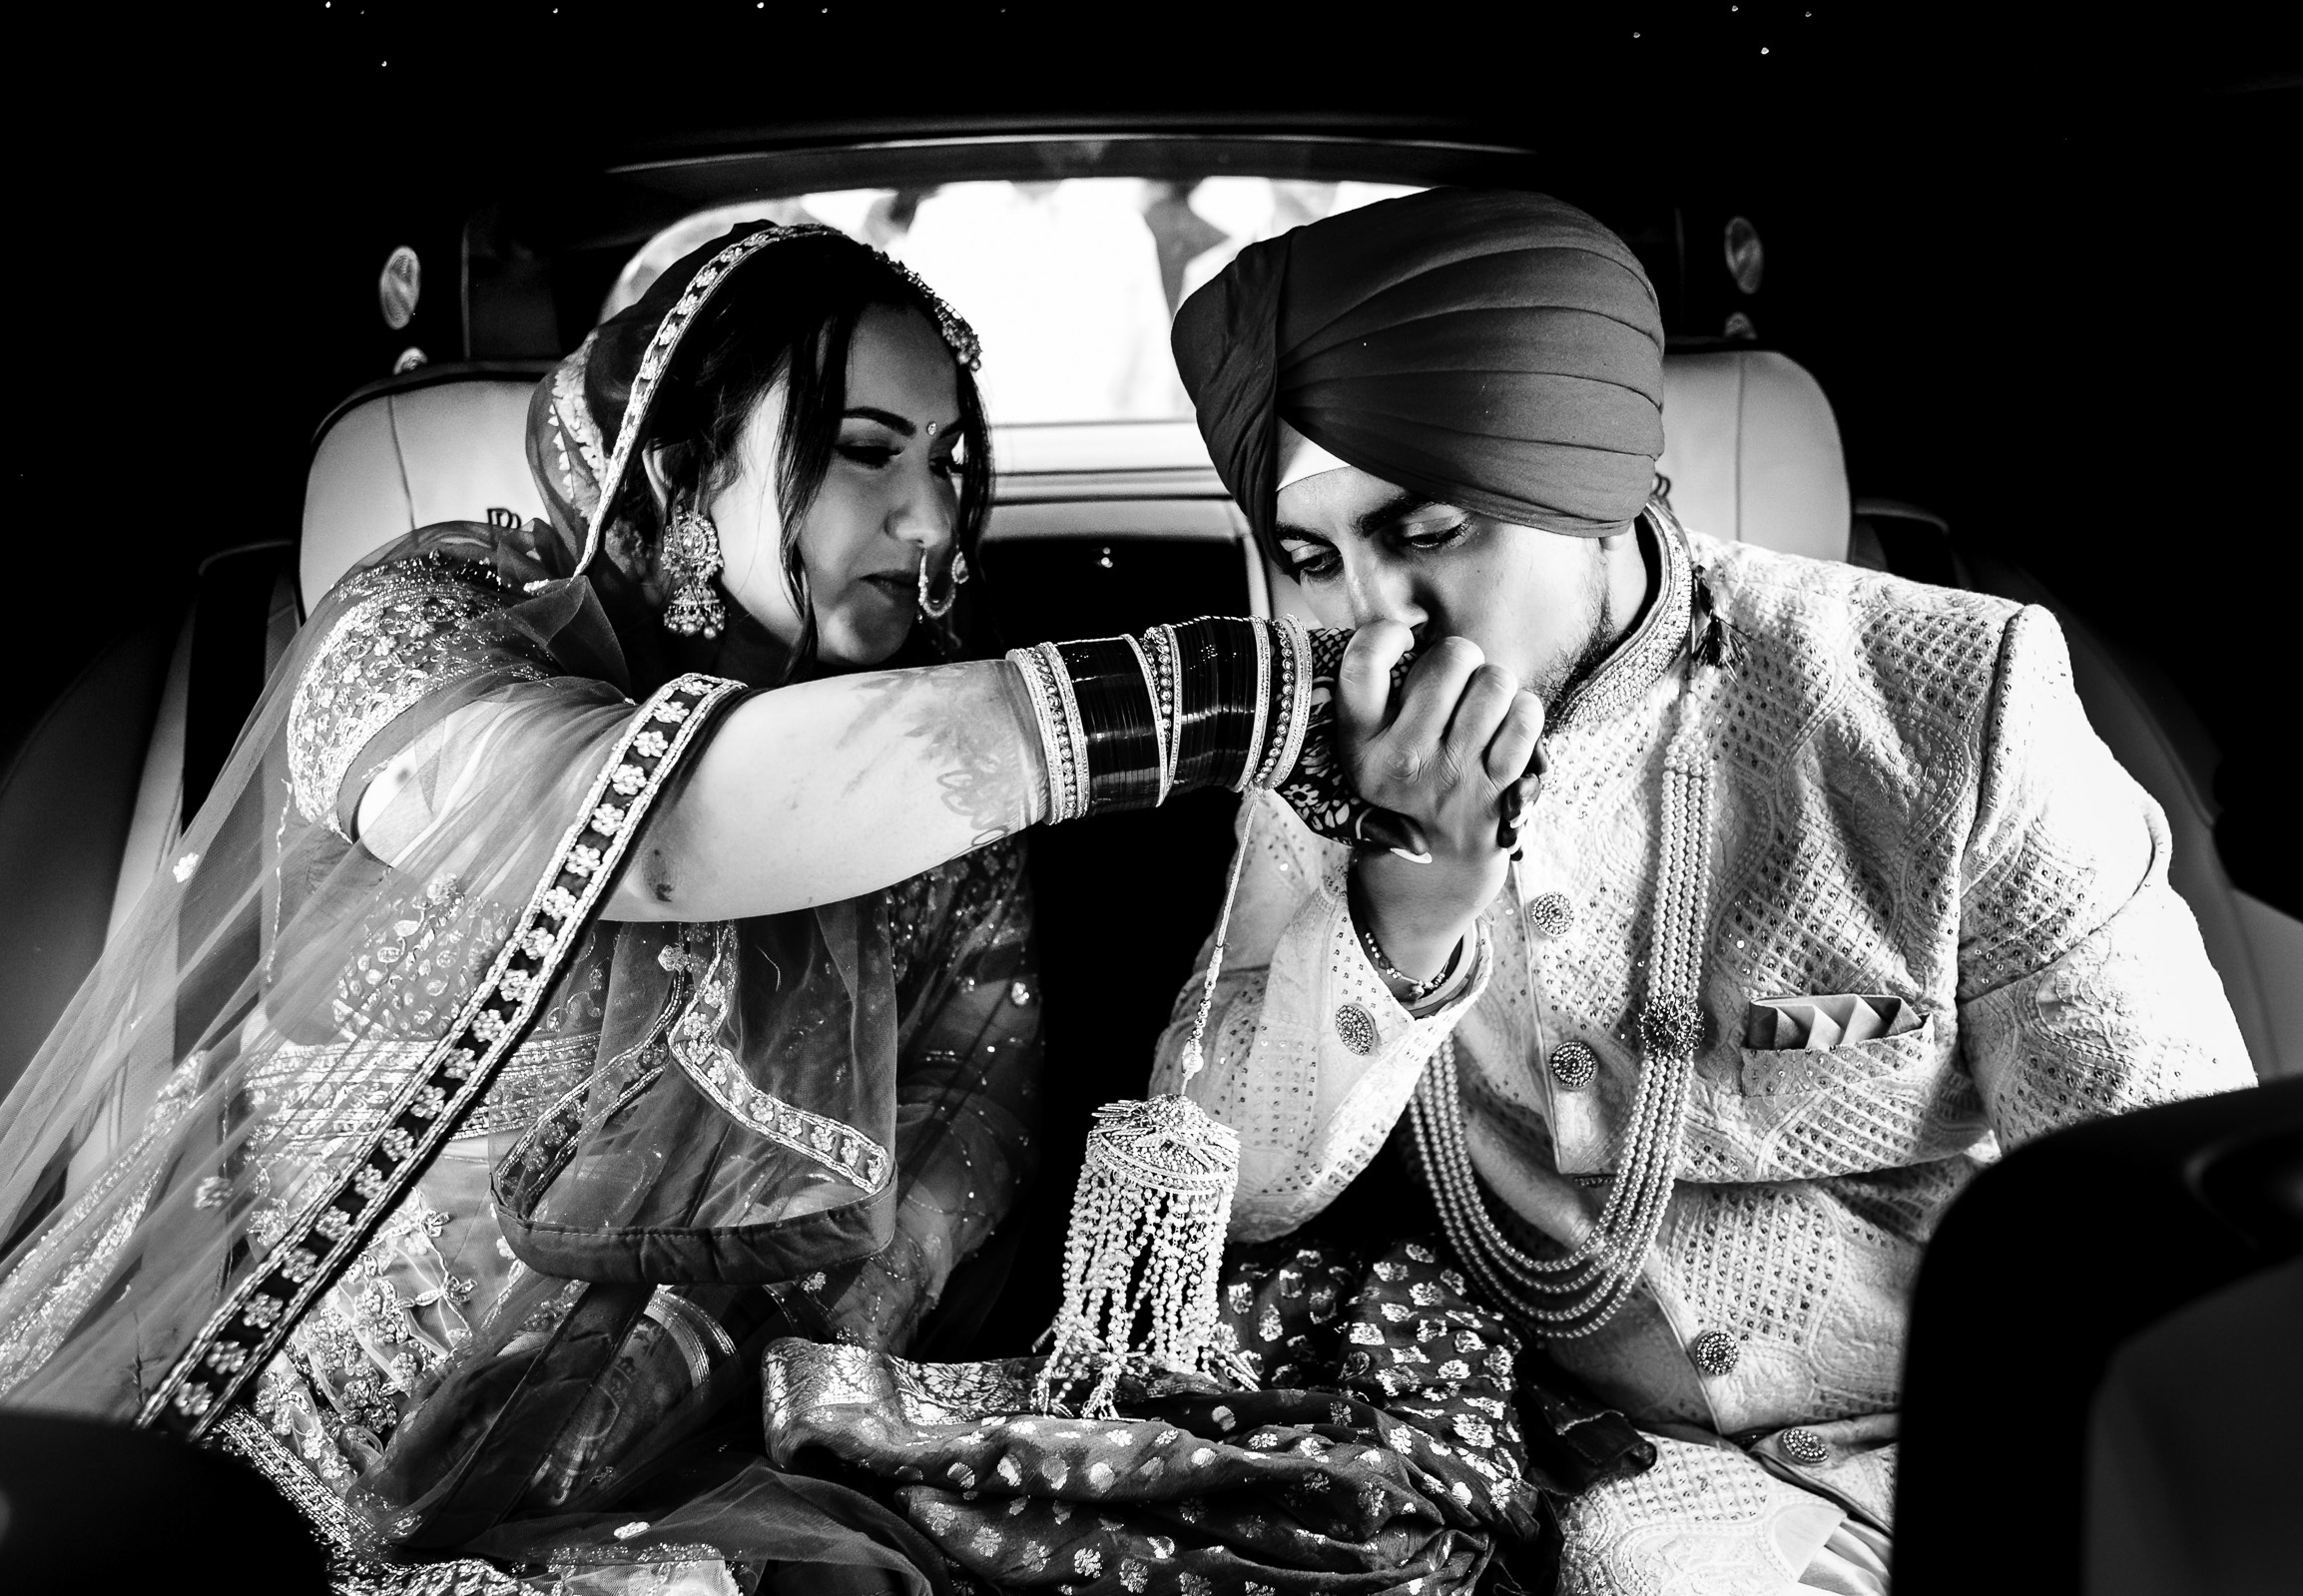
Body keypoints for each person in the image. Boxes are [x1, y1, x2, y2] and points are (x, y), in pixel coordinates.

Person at [0, 222, 1362, 1591]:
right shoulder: (432, 622)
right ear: (675, 464)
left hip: (682, 1455)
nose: (933, 522)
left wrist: (796, 1328)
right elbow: (642, 837)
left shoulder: (938, 821)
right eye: (865, 450)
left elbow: (976, 1094)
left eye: (951, 467)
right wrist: (1230, 698)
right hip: (290, 1422)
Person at [1155, 187, 2256, 1594]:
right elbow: (1214, 1191)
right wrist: (1408, 909)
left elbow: (2170, 1219)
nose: (1376, 619)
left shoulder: (1951, 706)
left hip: (1985, 1433)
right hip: (1614, 1470)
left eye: (1429, 532)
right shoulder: (1323, 757)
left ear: (1591, 492)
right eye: (1315, 561)